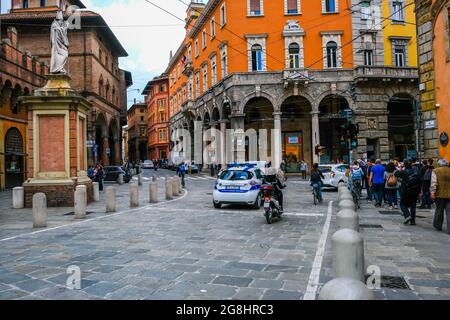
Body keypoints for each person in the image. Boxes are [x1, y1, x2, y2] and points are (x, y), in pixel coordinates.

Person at [395, 160, 421, 225]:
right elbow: (420, 181)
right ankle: (413, 221)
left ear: (405, 165)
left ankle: (407, 215)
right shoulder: (416, 171)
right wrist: (419, 191)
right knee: (413, 206)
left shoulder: (403, 172)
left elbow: (395, 174)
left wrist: (400, 168)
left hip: (406, 190)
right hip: (415, 190)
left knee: (402, 204)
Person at [431, 158, 450, 234]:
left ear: (439, 164)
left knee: (439, 210)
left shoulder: (436, 171)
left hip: (439, 194)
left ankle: (438, 225)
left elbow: (433, 183)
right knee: (449, 212)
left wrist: (432, 192)